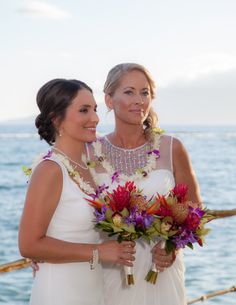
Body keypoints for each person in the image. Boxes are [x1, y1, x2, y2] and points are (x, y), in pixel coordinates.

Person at [87, 63, 201, 305]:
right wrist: (45, 257)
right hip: (109, 271)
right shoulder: (89, 151)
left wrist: (173, 249)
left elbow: (194, 211)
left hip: (160, 273)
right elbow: (71, 206)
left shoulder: (172, 147)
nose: (139, 100)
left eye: (145, 92)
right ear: (109, 100)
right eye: (129, 92)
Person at [18, 78, 135, 305]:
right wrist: (99, 252)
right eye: (84, 110)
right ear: (56, 119)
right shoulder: (50, 170)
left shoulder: (89, 167)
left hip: (91, 289)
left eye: (94, 109)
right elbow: (29, 244)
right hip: (60, 292)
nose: (95, 118)